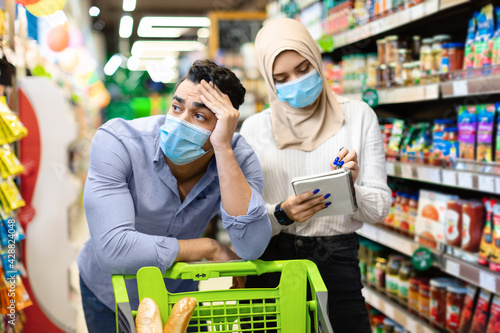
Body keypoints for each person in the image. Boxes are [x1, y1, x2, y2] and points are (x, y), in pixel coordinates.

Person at [77, 59, 272, 332]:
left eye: (199, 116)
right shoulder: (118, 142)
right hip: (112, 295)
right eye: (177, 107)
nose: (180, 121)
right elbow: (113, 249)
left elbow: (251, 246)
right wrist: (208, 247)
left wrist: (223, 150)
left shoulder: (236, 154)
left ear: (224, 125)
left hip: (180, 297)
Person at [240, 18, 391, 333]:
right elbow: (242, 221)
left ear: (316, 60)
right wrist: (281, 214)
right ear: (269, 81)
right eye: (280, 78)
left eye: (303, 69)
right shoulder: (255, 128)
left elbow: (378, 209)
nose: (294, 82)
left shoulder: (359, 116)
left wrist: (351, 187)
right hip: (271, 263)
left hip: (337, 260)